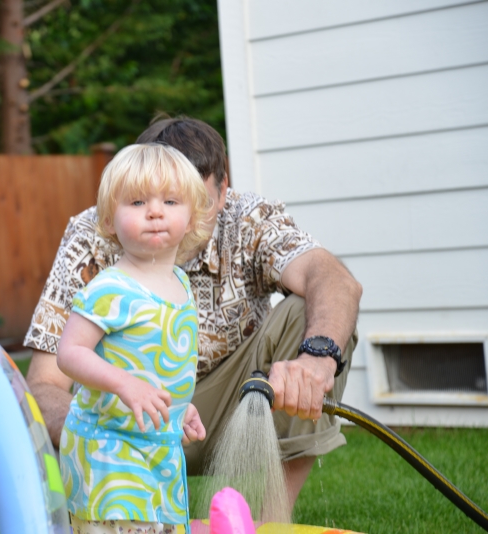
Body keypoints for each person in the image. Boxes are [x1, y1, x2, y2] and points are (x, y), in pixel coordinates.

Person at [25, 116, 363, 510]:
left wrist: (317, 359)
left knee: (315, 312)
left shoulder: (247, 218)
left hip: (235, 405)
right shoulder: (94, 233)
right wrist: (102, 439)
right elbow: (44, 383)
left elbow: (336, 280)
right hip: (121, 421)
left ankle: (271, 518)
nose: (162, 216)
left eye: (181, 201)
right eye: (143, 199)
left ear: (222, 191)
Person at [57, 143, 209, 533]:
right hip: (108, 450)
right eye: (138, 202)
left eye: (170, 201)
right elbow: (70, 352)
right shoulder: (111, 288)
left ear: (192, 217)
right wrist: (125, 384)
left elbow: (159, 362)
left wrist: (179, 408)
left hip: (157, 447)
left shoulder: (181, 284)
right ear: (109, 220)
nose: (155, 211)